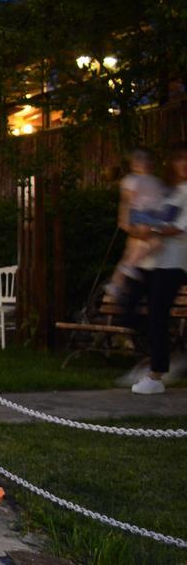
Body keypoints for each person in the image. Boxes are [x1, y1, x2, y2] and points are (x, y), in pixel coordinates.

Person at [128, 146, 187, 395]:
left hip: (174, 263)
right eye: (181, 159)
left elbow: (178, 228)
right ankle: (160, 363)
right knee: (136, 310)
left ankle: (156, 374)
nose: (184, 164)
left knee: (157, 317)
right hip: (156, 262)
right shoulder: (171, 191)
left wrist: (151, 230)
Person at [110, 149, 168, 298]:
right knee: (154, 243)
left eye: (147, 160)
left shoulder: (156, 181)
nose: (144, 163)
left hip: (152, 216)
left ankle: (116, 283)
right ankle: (128, 268)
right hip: (141, 215)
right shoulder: (131, 180)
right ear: (133, 165)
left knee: (132, 251)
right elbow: (126, 201)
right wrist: (123, 219)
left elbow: (163, 197)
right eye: (139, 160)